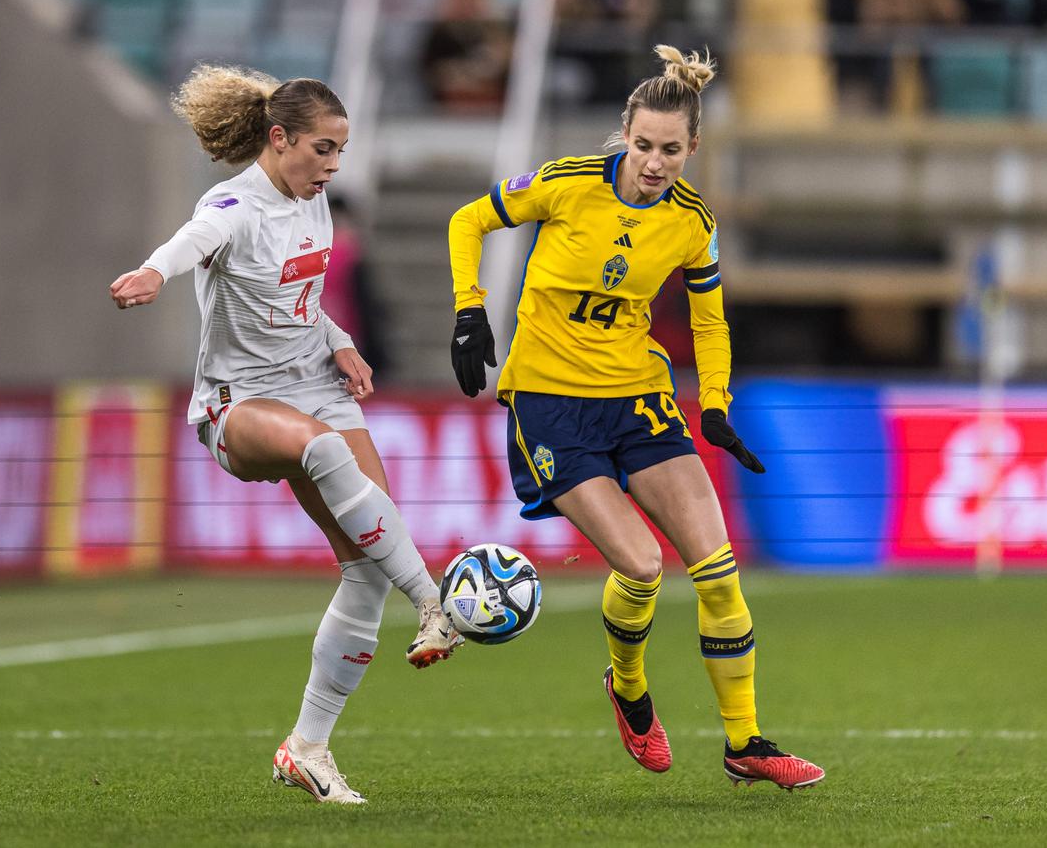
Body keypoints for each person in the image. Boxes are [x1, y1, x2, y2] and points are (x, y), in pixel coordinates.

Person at [446, 46, 825, 790]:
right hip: (552, 402)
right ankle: (627, 686)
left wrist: (714, 402)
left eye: (671, 150)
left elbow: (710, 322)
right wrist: (468, 308)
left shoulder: (692, 222)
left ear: (694, 149)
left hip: (638, 397)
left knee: (718, 572)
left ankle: (745, 741)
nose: (654, 163)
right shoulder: (565, 182)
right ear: (624, 132)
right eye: (643, 145)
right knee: (645, 567)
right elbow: (468, 220)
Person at [109, 64, 461, 805]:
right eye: (323, 149)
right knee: (327, 453)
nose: (333, 166)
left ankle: (307, 747)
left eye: (341, 151)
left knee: (368, 558)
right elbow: (192, 239)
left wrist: (337, 338)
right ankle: (435, 603)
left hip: (314, 383)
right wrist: (151, 271)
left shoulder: (314, 206)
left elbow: (299, 297)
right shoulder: (235, 204)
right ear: (279, 139)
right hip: (237, 406)